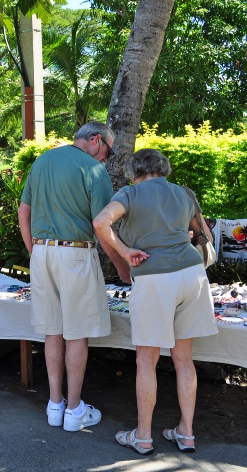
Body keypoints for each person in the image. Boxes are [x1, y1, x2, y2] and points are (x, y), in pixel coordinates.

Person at [92, 148, 218, 455]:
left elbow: (100, 222)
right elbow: (206, 237)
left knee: (146, 360)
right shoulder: (184, 193)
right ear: (164, 169)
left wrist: (125, 253)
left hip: (154, 277)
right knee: (184, 359)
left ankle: (143, 436)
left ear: (133, 172)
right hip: (192, 274)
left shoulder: (130, 193)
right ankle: (186, 433)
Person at [17, 121, 129, 431]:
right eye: (108, 150)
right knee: (76, 332)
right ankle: (74, 409)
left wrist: (34, 252)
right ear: (95, 140)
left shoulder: (43, 160)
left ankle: (55, 405)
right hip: (76, 253)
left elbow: (23, 212)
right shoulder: (93, 169)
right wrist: (121, 265)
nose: (106, 157)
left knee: (52, 331)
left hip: (42, 252)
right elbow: (101, 225)